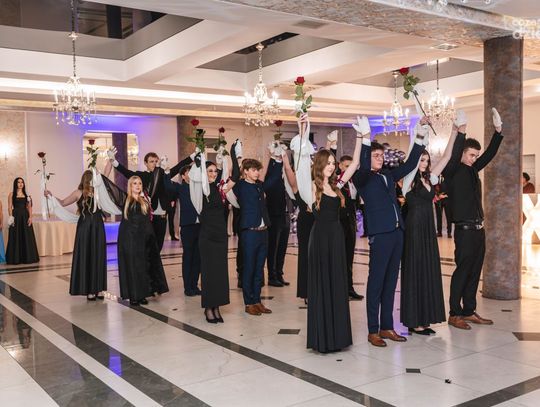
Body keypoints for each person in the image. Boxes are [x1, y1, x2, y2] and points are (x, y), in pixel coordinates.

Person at [352, 120, 427, 348]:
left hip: (396, 232)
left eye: (381, 156)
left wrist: (419, 137)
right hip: (380, 234)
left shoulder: (387, 175)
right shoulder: (362, 178)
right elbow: (363, 164)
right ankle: (372, 330)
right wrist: (366, 138)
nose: (380, 159)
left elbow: (411, 164)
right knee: (376, 282)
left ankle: (387, 326)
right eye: (376, 156)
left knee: (391, 281)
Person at [301, 115, 362, 353]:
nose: (331, 166)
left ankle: (338, 337)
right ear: (319, 164)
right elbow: (300, 163)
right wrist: (303, 129)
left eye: (333, 163)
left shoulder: (337, 186)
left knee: (337, 284)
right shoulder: (311, 187)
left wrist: (361, 137)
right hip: (320, 239)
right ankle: (323, 338)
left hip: (337, 238)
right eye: (327, 163)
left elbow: (354, 165)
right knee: (322, 284)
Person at [443, 108, 503, 330]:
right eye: (471, 155)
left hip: (479, 230)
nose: (475, 159)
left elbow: (489, 155)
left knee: (475, 271)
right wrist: (461, 131)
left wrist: (498, 132)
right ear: (462, 153)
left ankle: (468, 310)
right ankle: (454, 313)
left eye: (476, 156)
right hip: (464, 230)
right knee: (462, 271)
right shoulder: (452, 171)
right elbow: (454, 153)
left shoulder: (472, 170)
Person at [400, 116, 458, 335]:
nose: (423, 163)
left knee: (427, 270)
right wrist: (419, 129)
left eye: (426, 160)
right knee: (415, 270)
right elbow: (412, 155)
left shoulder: (430, 178)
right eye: (420, 160)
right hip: (414, 227)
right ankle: (414, 321)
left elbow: (447, 156)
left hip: (428, 228)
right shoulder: (408, 179)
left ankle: (424, 319)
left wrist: (454, 131)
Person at [102, 169, 169, 306]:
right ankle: (134, 295)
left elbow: (156, 179)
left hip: (144, 238)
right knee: (132, 265)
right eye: (135, 183)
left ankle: (143, 293)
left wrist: (160, 168)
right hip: (130, 238)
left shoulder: (145, 200)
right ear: (130, 186)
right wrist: (104, 171)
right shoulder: (125, 199)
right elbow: (110, 187)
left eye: (140, 183)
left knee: (143, 265)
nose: (138, 186)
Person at [107, 148, 193, 251]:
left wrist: (193, 156)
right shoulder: (142, 175)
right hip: (149, 218)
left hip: (162, 217)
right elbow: (126, 172)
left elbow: (179, 166)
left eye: (156, 161)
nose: (154, 163)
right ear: (145, 163)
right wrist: (114, 161)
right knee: (149, 248)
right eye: (151, 161)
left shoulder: (163, 174)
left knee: (159, 247)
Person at [44, 170, 107, 300]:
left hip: (98, 226)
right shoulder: (78, 193)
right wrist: (51, 196)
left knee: (99, 255)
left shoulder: (98, 192)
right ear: (88, 179)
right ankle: (89, 289)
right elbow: (62, 202)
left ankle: (99, 288)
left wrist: (110, 162)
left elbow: (105, 177)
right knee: (87, 255)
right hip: (85, 227)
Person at [225, 144, 271, 316]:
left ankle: (257, 300)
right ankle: (248, 302)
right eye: (253, 170)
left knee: (259, 268)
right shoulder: (240, 185)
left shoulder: (260, 185)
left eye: (258, 170)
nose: (257, 173)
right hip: (249, 232)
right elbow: (230, 181)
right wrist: (234, 156)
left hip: (263, 231)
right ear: (245, 171)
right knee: (249, 267)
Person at [198, 161, 230, 323]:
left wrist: (230, 155)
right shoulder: (200, 189)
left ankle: (216, 306)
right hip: (207, 236)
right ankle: (208, 307)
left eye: (215, 171)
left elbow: (234, 175)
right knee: (209, 272)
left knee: (220, 273)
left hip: (220, 235)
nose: (213, 174)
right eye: (209, 171)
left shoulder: (220, 188)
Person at [164, 165, 202, 296]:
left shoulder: (200, 187)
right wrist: (167, 172)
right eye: (189, 172)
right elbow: (167, 186)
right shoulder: (180, 188)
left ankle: (195, 285)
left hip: (200, 226)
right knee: (188, 256)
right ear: (183, 176)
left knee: (198, 257)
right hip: (187, 226)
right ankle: (188, 287)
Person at [336, 154, 364, 300]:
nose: (349, 170)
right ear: (340, 166)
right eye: (346, 166)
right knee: (340, 257)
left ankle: (349, 288)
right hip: (339, 223)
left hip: (351, 222)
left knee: (349, 257)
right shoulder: (336, 181)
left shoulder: (354, 182)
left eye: (351, 167)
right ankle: (339, 289)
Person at [264, 151, 290, 287]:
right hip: (274, 216)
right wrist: (274, 160)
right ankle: (272, 276)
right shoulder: (272, 178)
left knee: (282, 247)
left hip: (286, 215)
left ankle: (279, 273)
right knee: (273, 247)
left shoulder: (288, 176)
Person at [6, 178, 39, 265]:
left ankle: (28, 257)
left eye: (22, 182)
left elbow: (29, 207)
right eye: (18, 182)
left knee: (26, 236)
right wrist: (11, 218)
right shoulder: (11, 194)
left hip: (25, 217)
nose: (20, 184)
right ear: (15, 184)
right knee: (15, 236)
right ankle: (15, 258)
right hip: (16, 217)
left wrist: (30, 217)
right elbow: (9, 207)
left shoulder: (27, 195)